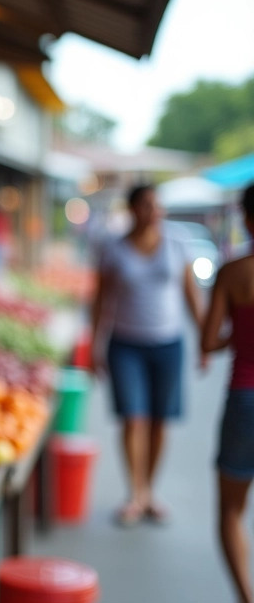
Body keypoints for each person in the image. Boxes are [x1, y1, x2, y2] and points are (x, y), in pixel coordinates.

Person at [90, 184, 205, 525]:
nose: (153, 211)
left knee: (159, 420)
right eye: (146, 205)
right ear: (132, 209)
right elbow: (101, 300)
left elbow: (191, 294)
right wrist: (96, 344)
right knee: (132, 418)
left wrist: (205, 339)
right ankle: (135, 493)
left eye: (157, 205)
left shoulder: (177, 242)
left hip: (168, 344)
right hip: (125, 345)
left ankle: (150, 490)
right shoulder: (113, 248)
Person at [200, 183, 254, 603]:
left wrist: (238, 335)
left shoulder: (234, 272)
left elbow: (208, 340)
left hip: (245, 400)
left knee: (231, 512)